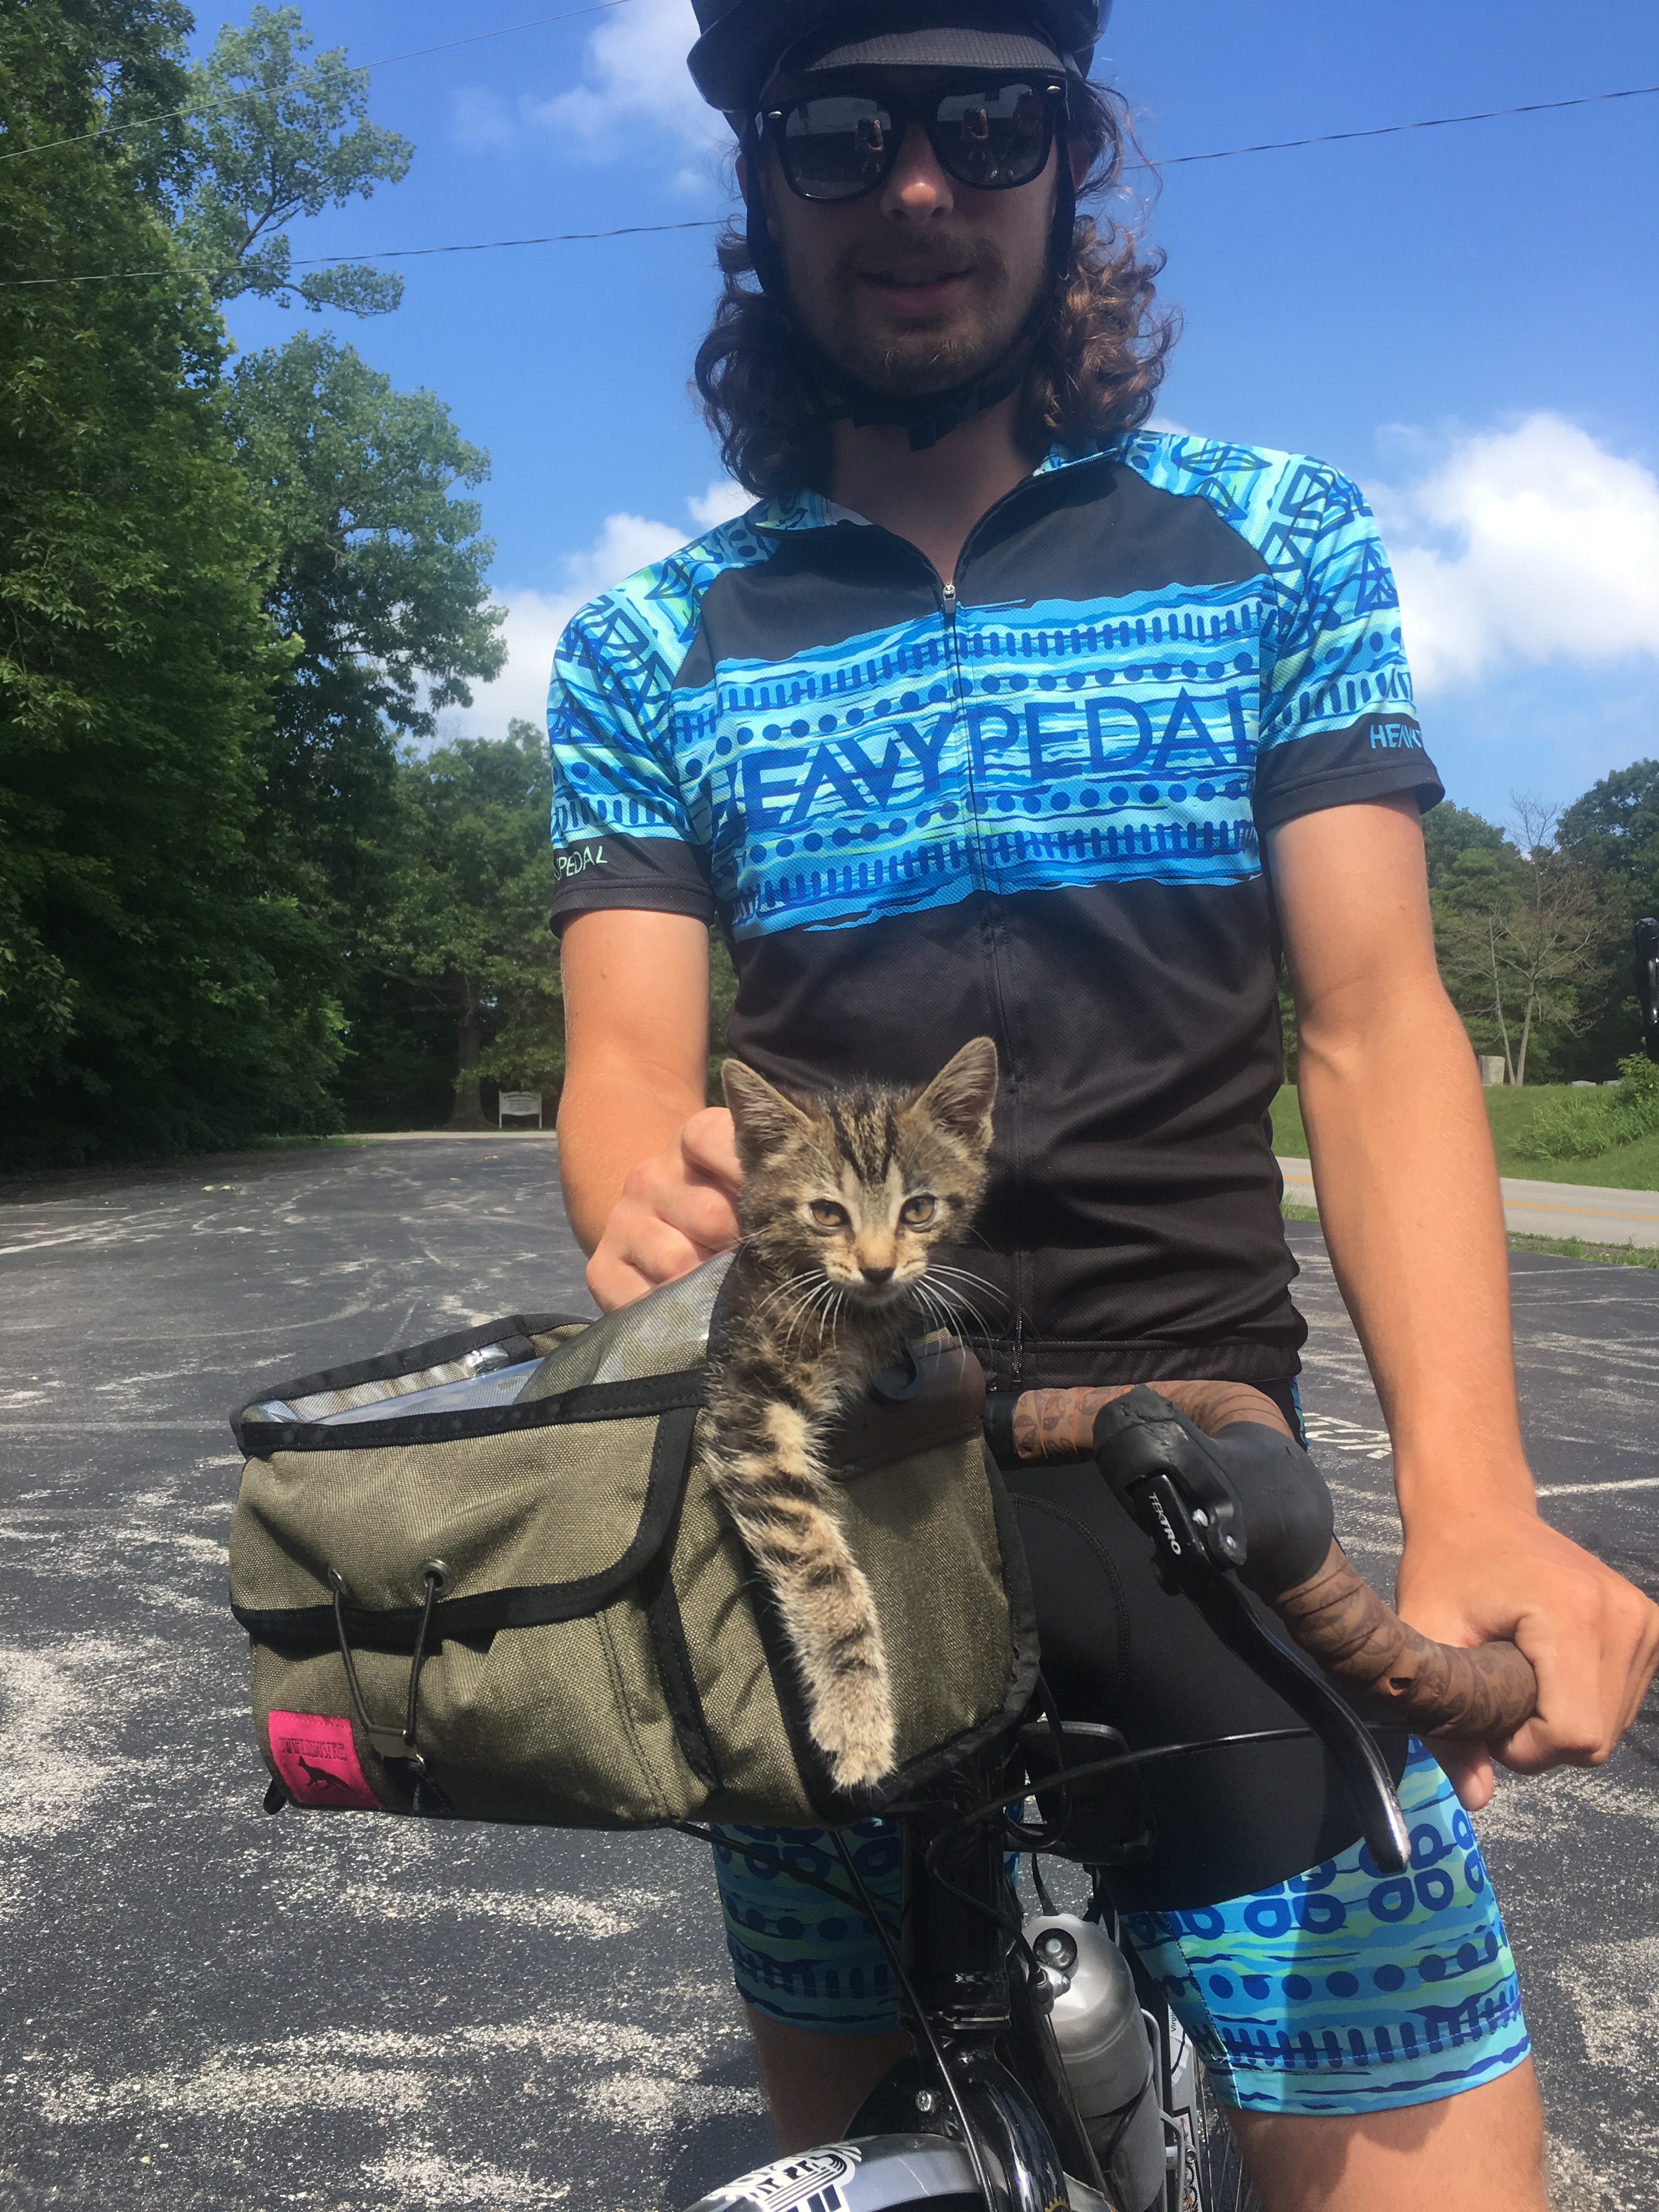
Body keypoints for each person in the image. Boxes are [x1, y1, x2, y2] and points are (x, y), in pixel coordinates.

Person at [546, 4, 1659, 2204]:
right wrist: (644, 1197)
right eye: (841, 132)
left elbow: (1376, 1020)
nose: (921, 185)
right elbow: (624, 1081)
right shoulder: (647, 641)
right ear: (762, 187)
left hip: (1204, 1491)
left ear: (1075, 161)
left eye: (992, 122)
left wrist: (1478, 1494)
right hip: (837, 1504)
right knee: (885, 2172)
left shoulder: (1275, 540)